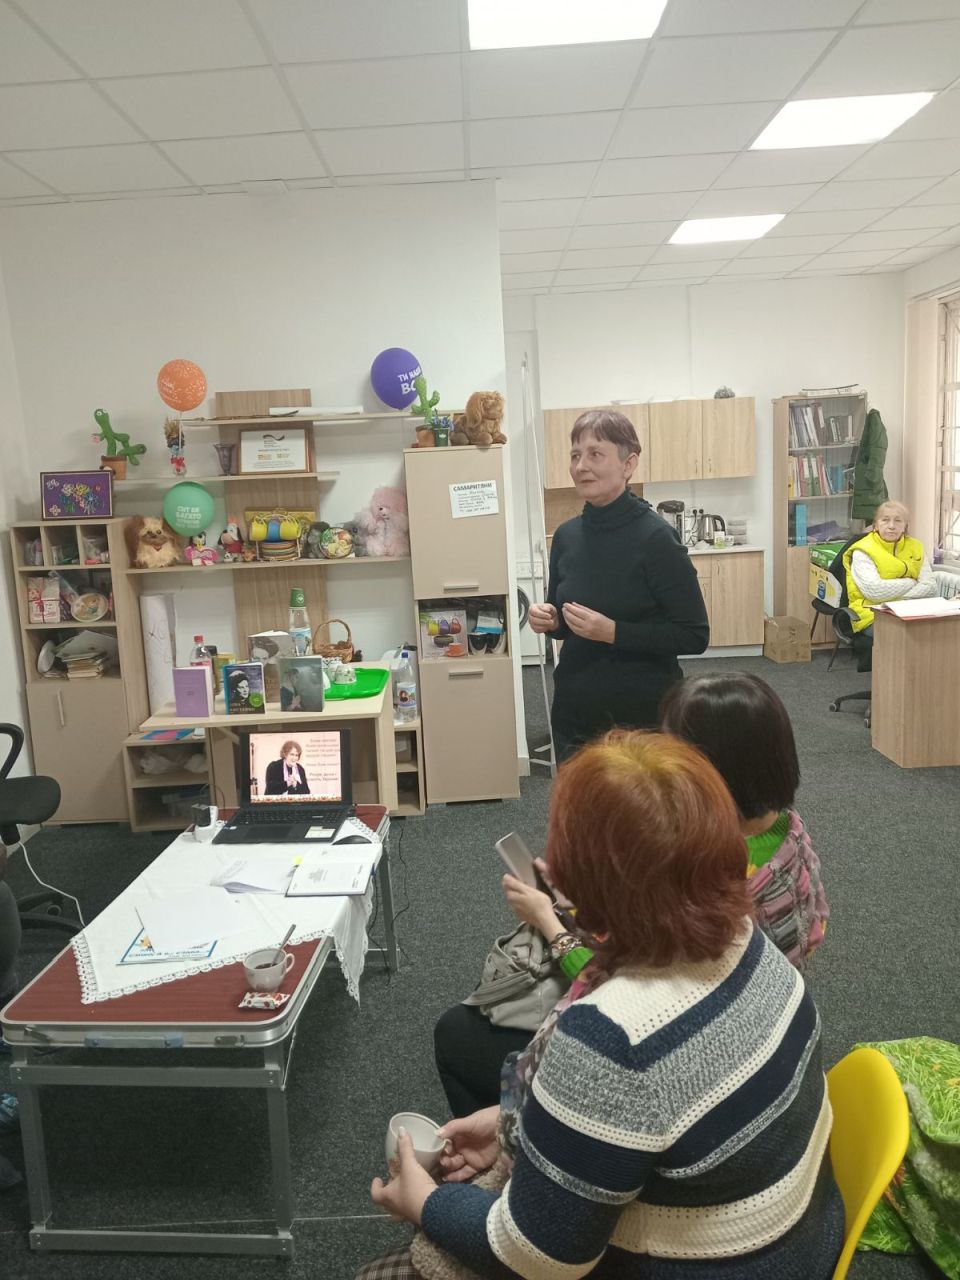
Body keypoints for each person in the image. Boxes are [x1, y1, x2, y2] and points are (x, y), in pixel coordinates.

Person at [359, 732, 843, 1280]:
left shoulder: (611, 1039)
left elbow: (540, 1256)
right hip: (799, 1242)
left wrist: (424, 1201)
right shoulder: (749, 941)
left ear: (577, 885)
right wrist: (517, 1123)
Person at [528, 410, 708, 762]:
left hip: (641, 720)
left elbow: (694, 635)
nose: (581, 466)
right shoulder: (566, 536)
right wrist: (550, 620)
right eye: (575, 455)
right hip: (575, 713)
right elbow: (563, 623)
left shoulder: (656, 538)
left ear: (629, 464)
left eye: (595, 454)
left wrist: (613, 632)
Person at [660, 671, 829, 971]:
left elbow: (665, 964)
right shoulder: (784, 823)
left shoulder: (721, 871)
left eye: (672, 751)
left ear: (716, 768)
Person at [843, 499, 936, 643]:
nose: (891, 526)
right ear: (876, 525)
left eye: (898, 521)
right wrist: (911, 583)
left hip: (910, 611)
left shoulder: (916, 547)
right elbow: (875, 591)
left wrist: (894, 599)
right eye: (885, 520)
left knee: (939, 631)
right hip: (871, 614)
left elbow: (930, 587)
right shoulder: (863, 550)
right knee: (906, 636)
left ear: (905, 526)